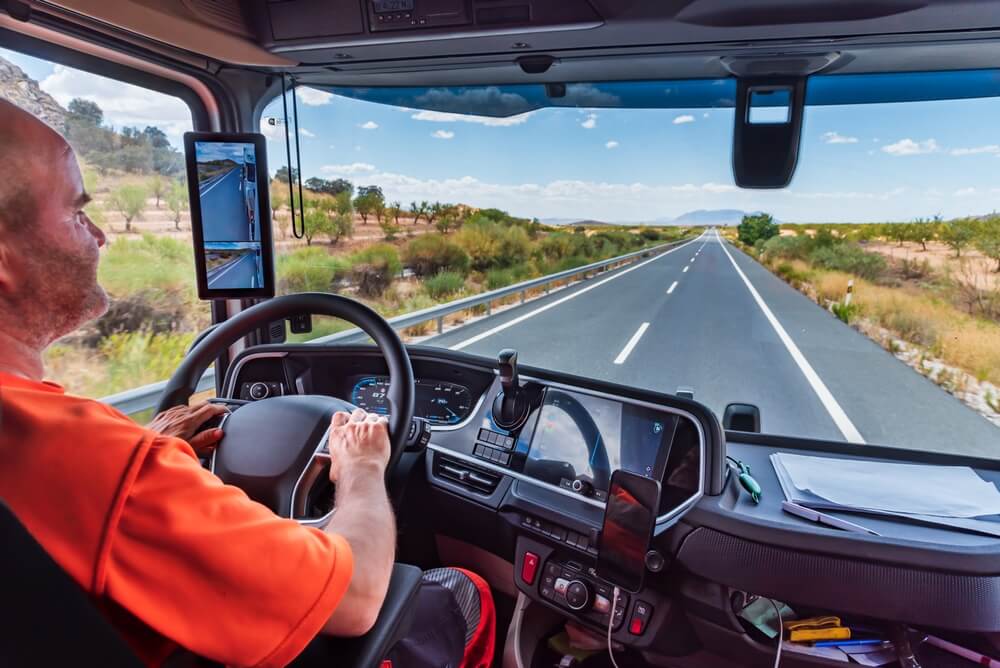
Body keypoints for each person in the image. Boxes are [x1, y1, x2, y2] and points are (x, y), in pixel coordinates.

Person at [0, 99, 493, 667]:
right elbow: (357, 599)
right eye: (75, 212)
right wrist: (360, 469)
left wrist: (155, 451)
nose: (102, 235)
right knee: (460, 590)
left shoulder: (69, 448)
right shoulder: (91, 462)